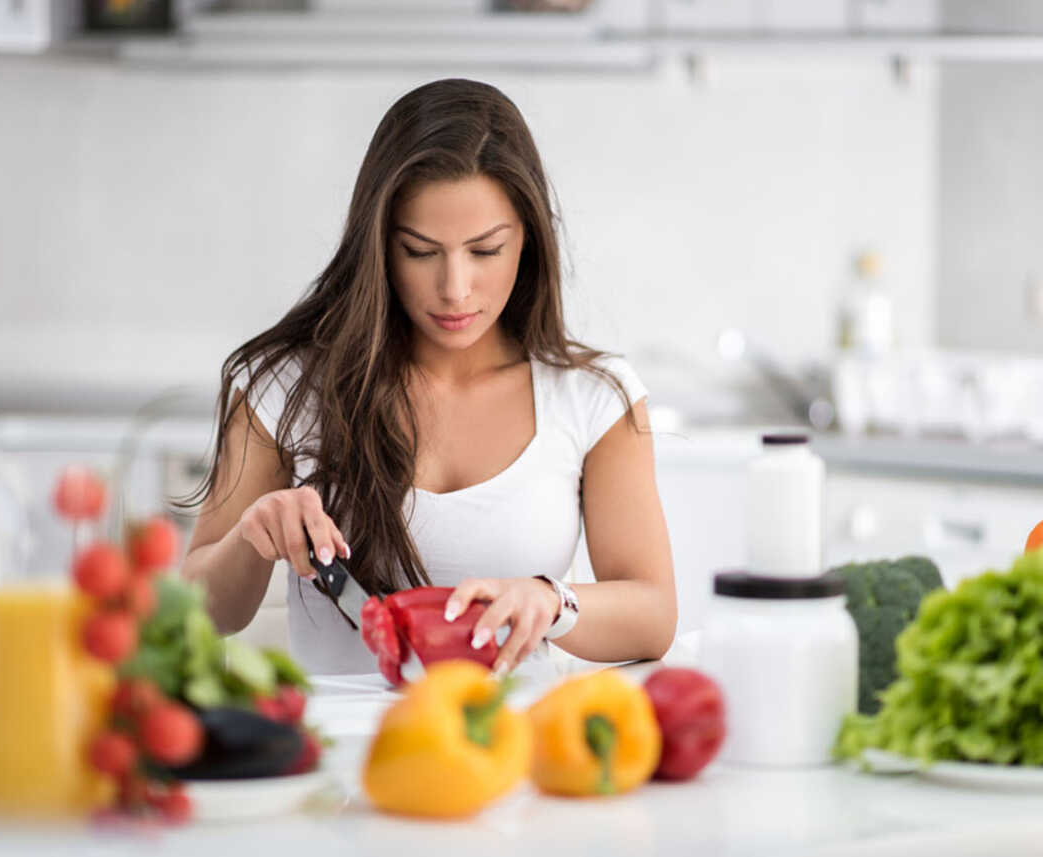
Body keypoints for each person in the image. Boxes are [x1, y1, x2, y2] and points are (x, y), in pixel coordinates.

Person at [181, 78, 676, 677]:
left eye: (486, 250)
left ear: (529, 241)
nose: (454, 289)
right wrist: (251, 535)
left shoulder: (594, 398)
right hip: (347, 756)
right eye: (420, 251)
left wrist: (552, 600)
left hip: (520, 750)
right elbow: (200, 615)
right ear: (378, 246)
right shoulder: (286, 389)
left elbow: (653, 614)